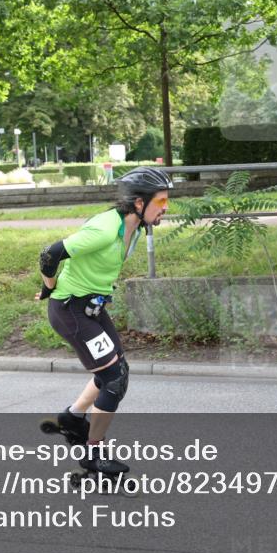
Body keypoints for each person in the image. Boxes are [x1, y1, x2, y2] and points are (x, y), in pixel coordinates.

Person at [35, 166, 172, 474]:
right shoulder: (106, 229)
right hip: (71, 309)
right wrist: (48, 287)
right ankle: (92, 455)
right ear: (139, 203)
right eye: (161, 201)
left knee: (113, 369)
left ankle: (72, 418)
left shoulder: (132, 227)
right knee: (115, 378)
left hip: (92, 308)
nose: (166, 208)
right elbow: (50, 253)